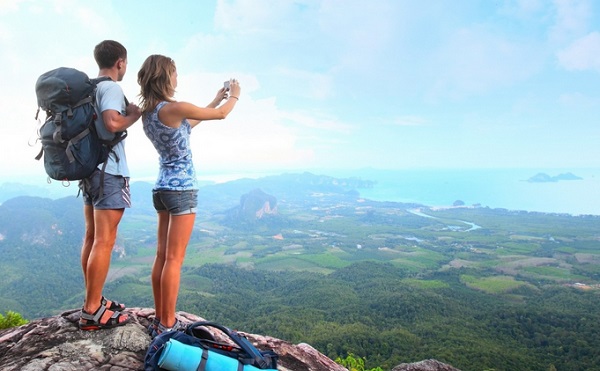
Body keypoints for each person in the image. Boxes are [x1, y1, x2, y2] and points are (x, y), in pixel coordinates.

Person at [137, 54, 241, 335]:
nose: (177, 78)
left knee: (161, 256)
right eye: (174, 72)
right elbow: (221, 116)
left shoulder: (150, 113)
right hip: (182, 190)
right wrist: (235, 97)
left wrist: (216, 99)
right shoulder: (174, 107)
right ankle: (168, 324)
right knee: (174, 259)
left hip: (161, 189)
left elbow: (188, 125)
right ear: (164, 77)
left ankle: (161, 318)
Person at [78, 40, 142, 330]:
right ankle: (92, 310)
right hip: (109, 172)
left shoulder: (89, 87)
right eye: (125, 63)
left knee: (92, 238)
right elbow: (113, 123)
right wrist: (134, 116)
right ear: (120, 62)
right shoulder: (111, 88)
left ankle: (95, 299)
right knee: (104, 240)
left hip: (90, 170)